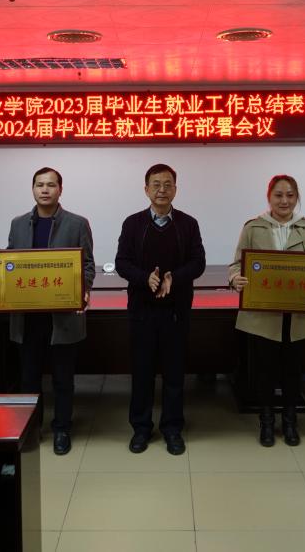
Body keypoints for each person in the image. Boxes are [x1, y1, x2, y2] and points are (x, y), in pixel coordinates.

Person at [0, 167, 94, 456]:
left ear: (60, 189)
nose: (45, 190)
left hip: (62, 317)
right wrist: (0, 266)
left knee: (63, 378)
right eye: (39, 185)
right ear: (33, 189)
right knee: (29, 378)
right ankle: (31, 428)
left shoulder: (77, 223)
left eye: (51, 185)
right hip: (27, 317)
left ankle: (62, 428)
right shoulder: (18, 224)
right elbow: (13, 264)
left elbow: (87, 265)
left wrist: (83, 290)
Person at [229, 174, 305, 446]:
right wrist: (235, 279)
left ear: (297, 197)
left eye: (290, 195)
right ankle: (266, 421)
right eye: (278, 195)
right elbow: (236, 265)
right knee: (263, 370)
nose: (284, 200)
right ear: (269, 197)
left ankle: (290, 421)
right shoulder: (253, 227)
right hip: (263, 314)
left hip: (298, 316)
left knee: (292, 370)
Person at [116, 163, 205, 455]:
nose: (162, 190)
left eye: (168, 184)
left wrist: (172, 278)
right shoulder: (132, 223)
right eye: (156, 184)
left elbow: (198, 262)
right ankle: (141, 428)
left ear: (175, 189)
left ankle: (172, 428)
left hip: (176, 311)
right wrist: (146, 278)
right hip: (142, 311)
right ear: (146, 190)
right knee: (142, 373)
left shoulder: (188, 224)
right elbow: (122, 262)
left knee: (174, 374)